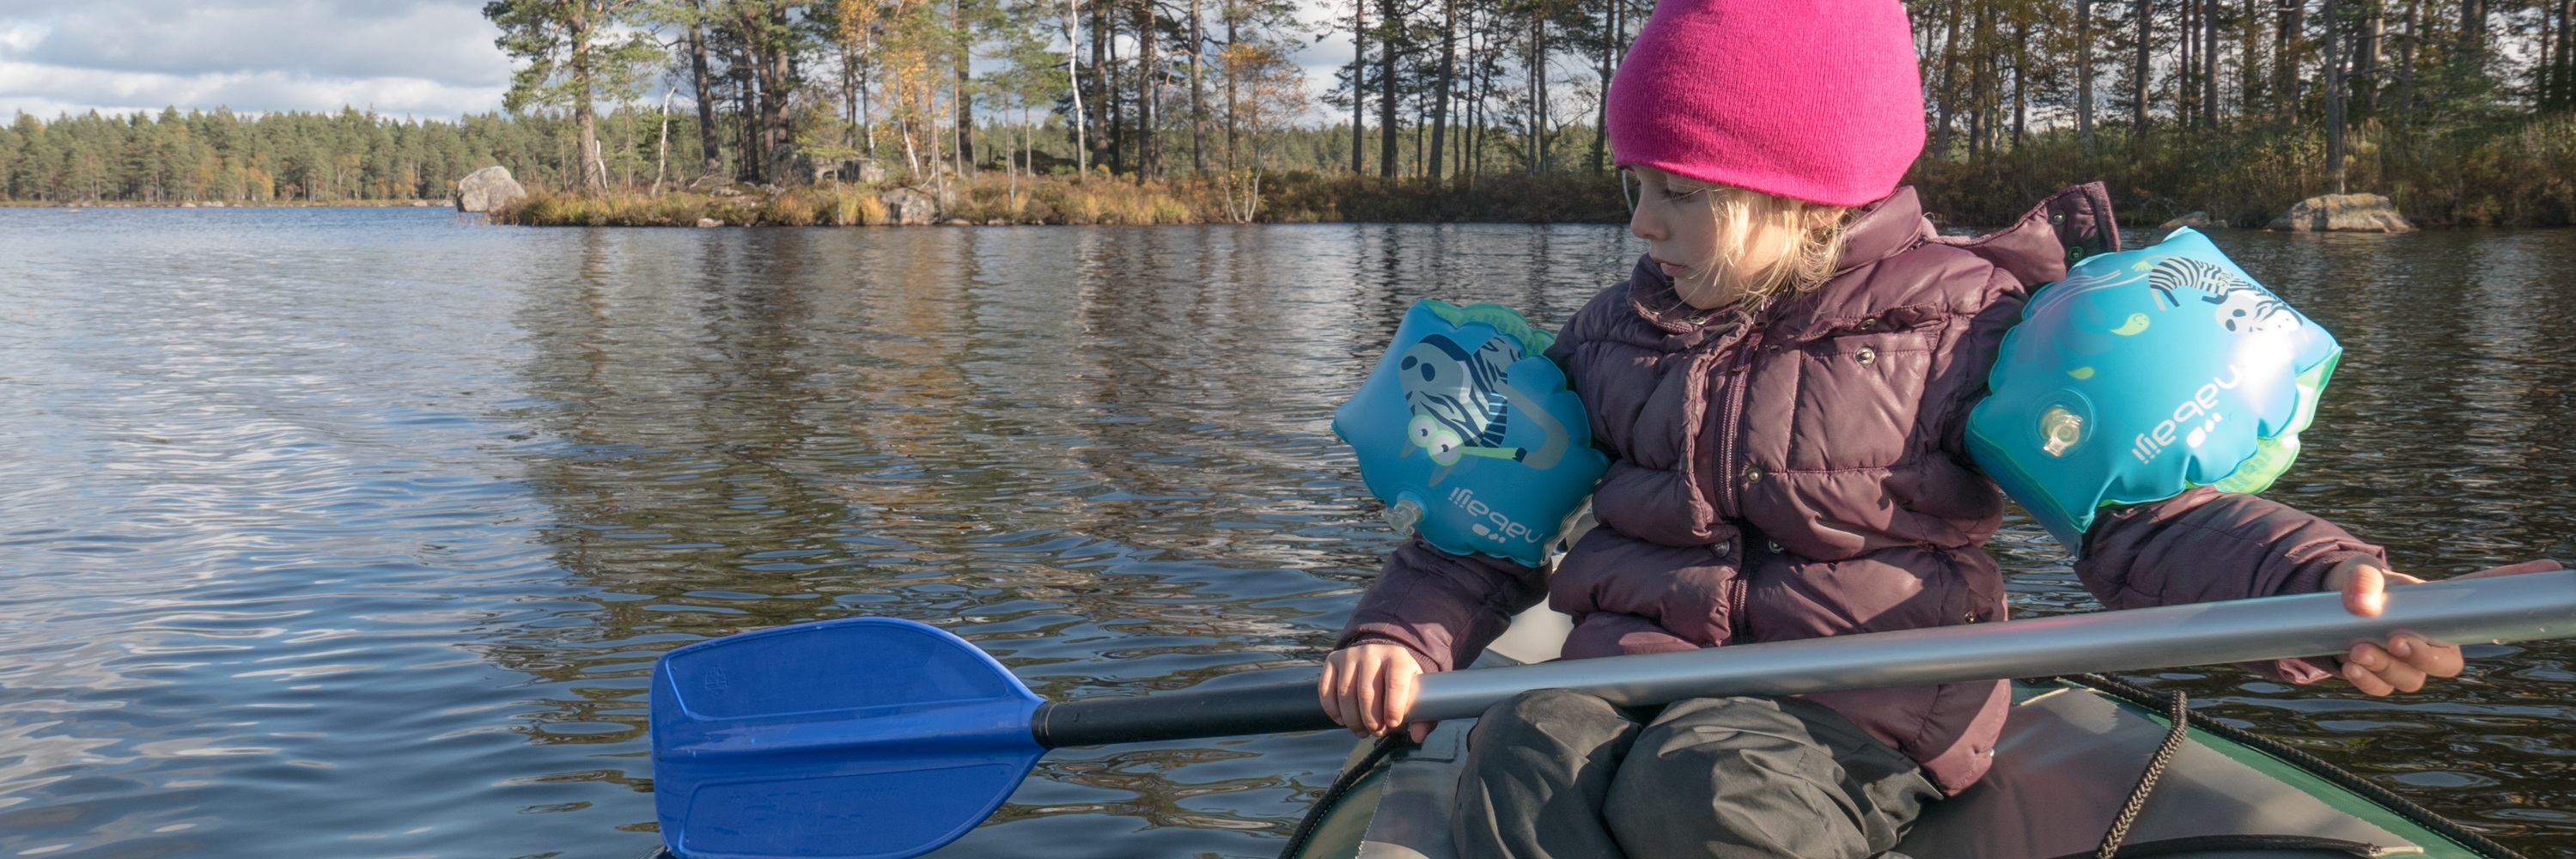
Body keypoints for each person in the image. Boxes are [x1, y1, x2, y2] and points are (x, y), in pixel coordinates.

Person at [1313, 1, 2562, 857]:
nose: (1639, 224)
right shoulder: (1609, 332)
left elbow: (2144, 518)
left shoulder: (1964, 326)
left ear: (1799, 197)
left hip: (1857, 700)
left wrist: (2314, 579)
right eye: (1632, 186)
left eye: (1678, 195)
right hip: (1633, 665)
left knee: (1707, 783)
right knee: (1524, 741)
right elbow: (1486, 526)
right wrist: (1396, 635)